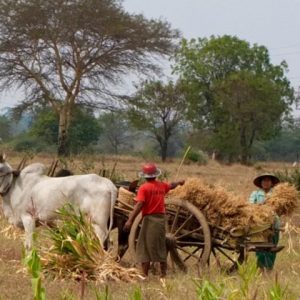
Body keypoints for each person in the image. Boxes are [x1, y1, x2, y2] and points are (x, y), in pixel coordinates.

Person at [123, 163, 184, 278]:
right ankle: (163, 275)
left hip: (149, 220)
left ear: (145, 176)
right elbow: (171, 185)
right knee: (160, 246)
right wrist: (180, 182)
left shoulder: (143, 188)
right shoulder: (162, 186)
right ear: (155, 175)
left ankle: (144, 275)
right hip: (160, 220)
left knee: (145, 247)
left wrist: (130, 220)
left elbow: (139, 204)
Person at [249, 173, 283, 271]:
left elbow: (280, 207)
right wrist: (261, 205)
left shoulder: (277, 194)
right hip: (259, 224)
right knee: (259, 247)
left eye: (268, 180)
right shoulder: (255, 194)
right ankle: (260, 268)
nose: (266, 183)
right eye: (264, 181)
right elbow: (250, 206)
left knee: (272, 246)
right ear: (261, 183)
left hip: (273, 224)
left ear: (271, 183)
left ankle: (269, 269)